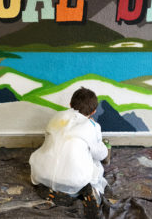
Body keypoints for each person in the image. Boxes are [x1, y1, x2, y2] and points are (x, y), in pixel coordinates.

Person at [29, 87, 108, 217]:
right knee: (96, 165)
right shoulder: (92, 127)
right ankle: (93, 192)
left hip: (41, 174)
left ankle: (50, 190)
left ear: (70, 105)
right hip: (73, 180)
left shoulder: (57, 117)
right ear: (94, 111)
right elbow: (101, 154)